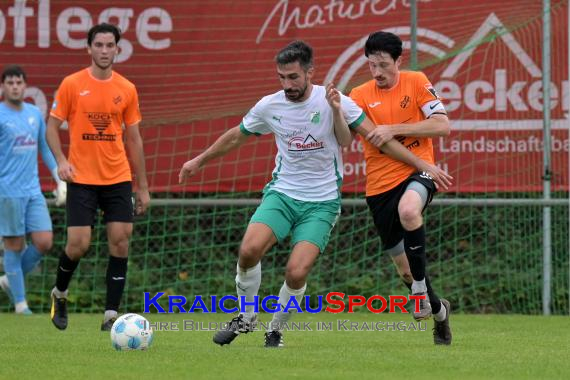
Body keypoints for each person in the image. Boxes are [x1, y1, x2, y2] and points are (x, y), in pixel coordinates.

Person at [178, 40, 451, 348]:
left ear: (310, 72)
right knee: (248, 250)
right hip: (282, 194)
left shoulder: (336, 100)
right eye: (281, 77)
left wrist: (423, 165)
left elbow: (376, 139)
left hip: (321, 203)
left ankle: (275, 331)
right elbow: (235, 137)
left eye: (293, 77)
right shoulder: (270, 105)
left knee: (296, 272)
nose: (287, 84)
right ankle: (246, 318)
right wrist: (198, 160)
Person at [349, 31, 453, 345]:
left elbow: (442, 125)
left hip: (419, 170)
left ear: (398, 61)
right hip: (379, 186)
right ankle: (440, 313)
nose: (378, 72)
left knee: (409, 210)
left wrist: (394, 128)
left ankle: (420, 290)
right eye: (371, 66)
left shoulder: (416, 81)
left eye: (383, 65)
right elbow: (349, 134)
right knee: (405, 272)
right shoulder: (359, 95)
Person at [45, 23, 150, 331]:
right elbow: (51, 128)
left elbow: (134, 139)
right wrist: (62, 161)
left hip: (117, 177)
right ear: (88, 49)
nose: (105, 50)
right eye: (99, 45)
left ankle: (110, 316)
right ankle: (59, 293)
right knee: (78, 244)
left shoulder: (127, 89)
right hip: (81, 178)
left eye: (110, 45)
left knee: (120, 242)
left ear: (118, 49)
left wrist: (142, 187)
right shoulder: (72, 84)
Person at [0, 65, 67, 314]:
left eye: (19, 82)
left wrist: (59, 178)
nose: (15, 86)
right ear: (4, 87)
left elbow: (44, 147)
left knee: (44, 241)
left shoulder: (33, 113)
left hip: (33, 191)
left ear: (25, 86)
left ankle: (9, 278)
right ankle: (20, 304)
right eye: (10, 83)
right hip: (7, 192)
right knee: (14, 245)